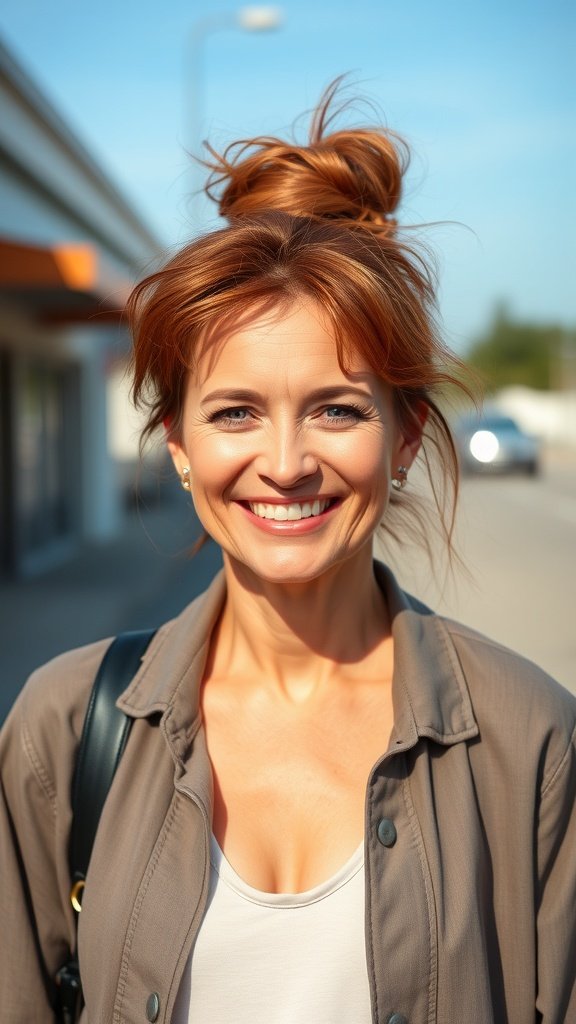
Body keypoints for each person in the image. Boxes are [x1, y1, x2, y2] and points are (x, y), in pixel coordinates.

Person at [1, 84, 575, 1024]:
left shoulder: (534, 743)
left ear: (403, 435)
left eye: (336, 409)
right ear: (180, 448)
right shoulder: (66, 731)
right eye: (234, 413)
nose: (285, 465)